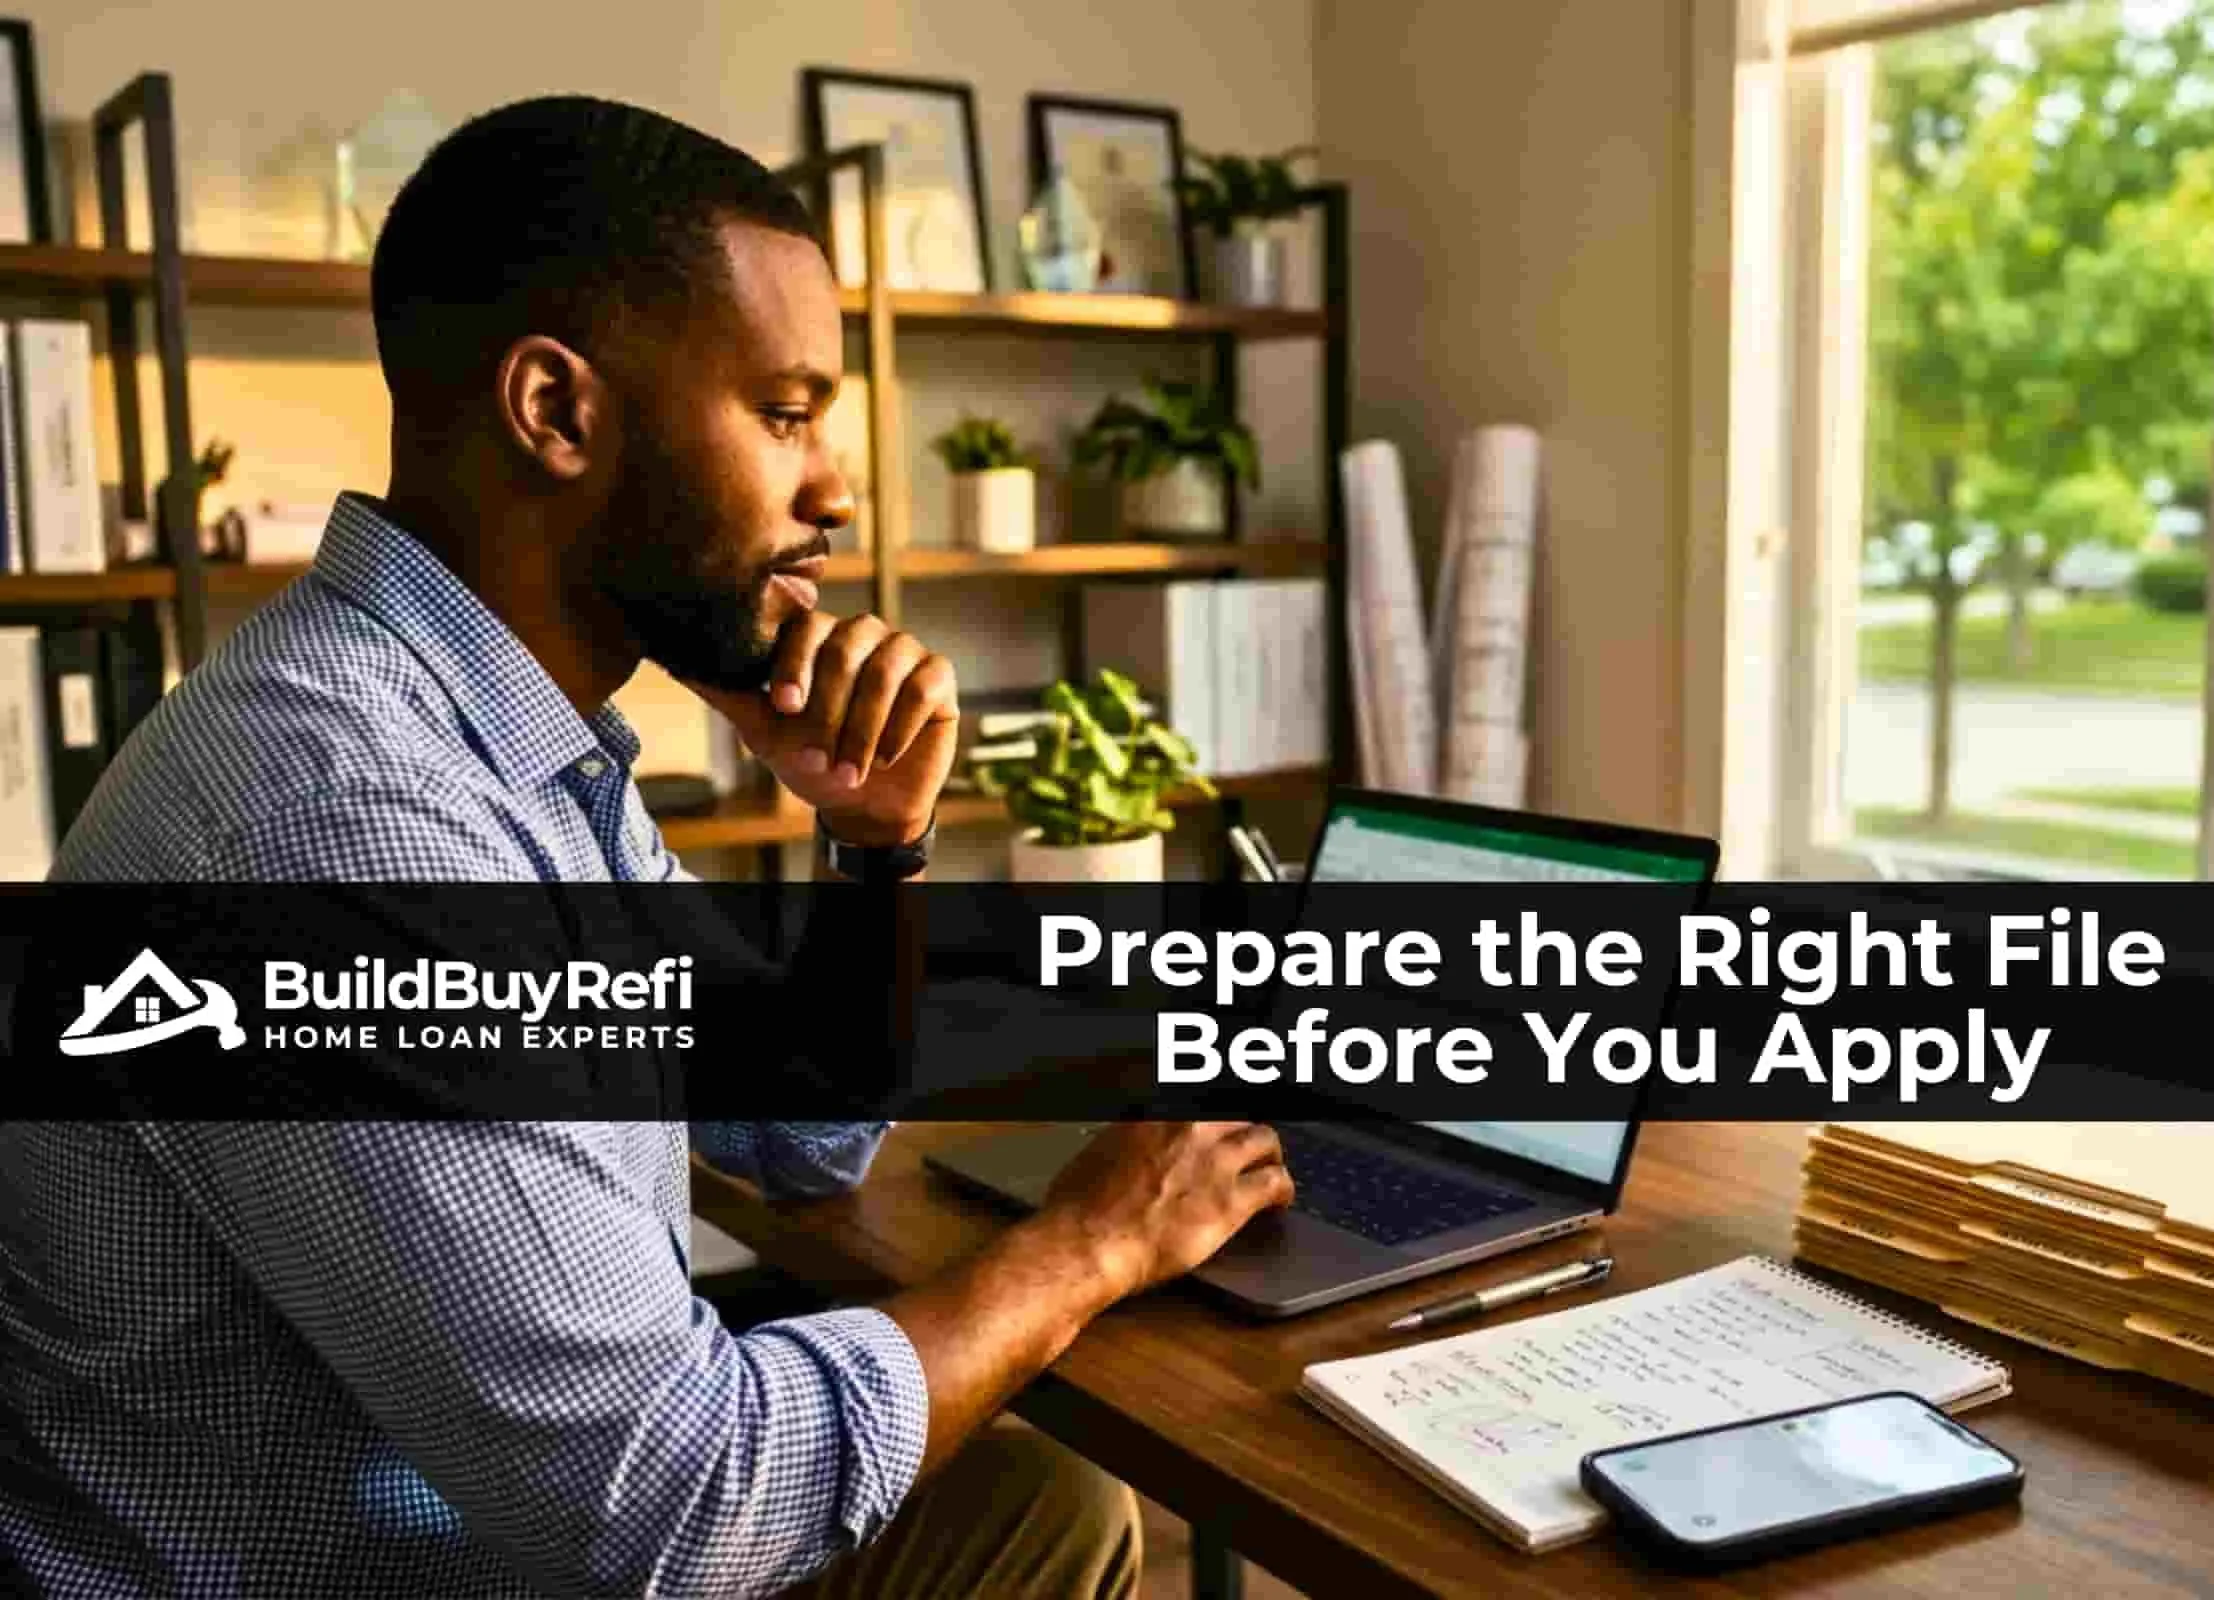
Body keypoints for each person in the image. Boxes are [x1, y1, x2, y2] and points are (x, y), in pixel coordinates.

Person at [0, 96, 1294, 1597]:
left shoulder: (513, 744)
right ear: (557, 413)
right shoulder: (347, 827)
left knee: (1039, 1505)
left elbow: (797, 1127)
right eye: (789, 412)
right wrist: (1091, 1243)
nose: (838, 492)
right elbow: (676, 1509)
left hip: (485, 1527)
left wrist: (875, 845)